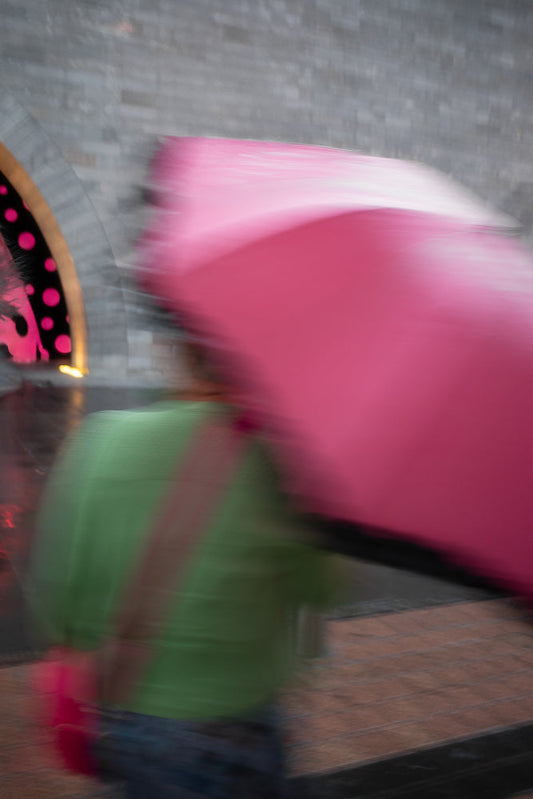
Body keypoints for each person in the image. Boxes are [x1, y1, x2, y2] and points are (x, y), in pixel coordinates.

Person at [31, 340, 344, 798]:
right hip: (243, 719)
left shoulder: (102, 439)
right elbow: (322, 588)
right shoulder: (278, 461)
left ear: (181, 357)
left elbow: (59, 601)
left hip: (130, 715)